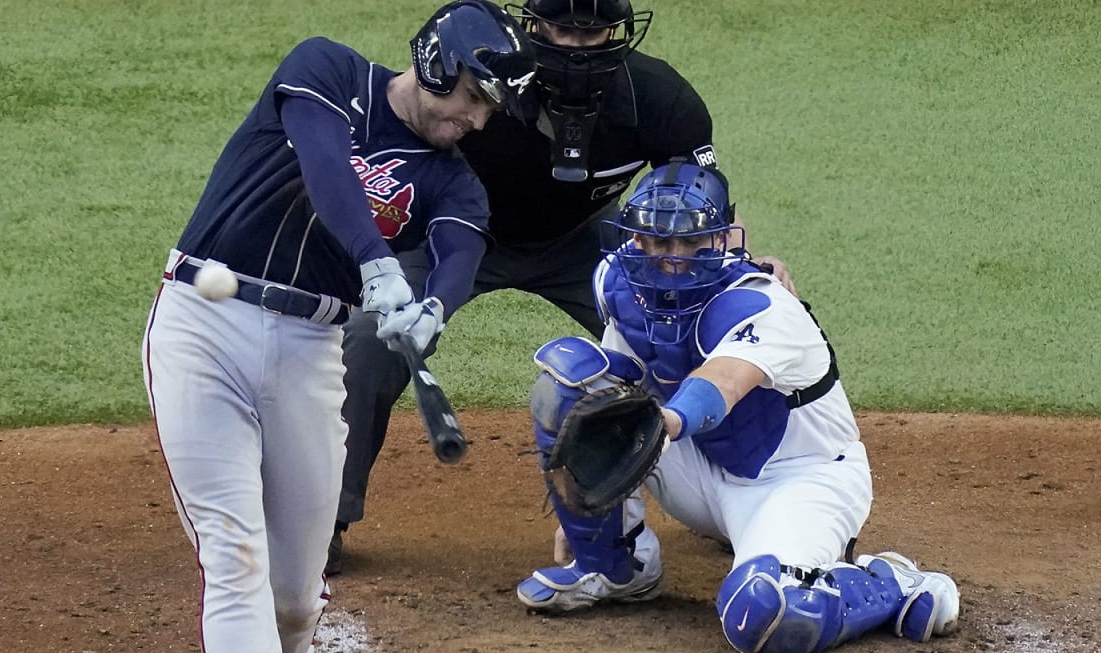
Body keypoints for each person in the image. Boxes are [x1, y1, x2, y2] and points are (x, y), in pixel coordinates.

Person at [140, 3, 534, 653]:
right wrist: (377, 261)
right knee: (233, 548)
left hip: (310, 352)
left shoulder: (456, 185)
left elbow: (457, 256)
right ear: (435, 63)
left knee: (294, 588)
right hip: (201, 322)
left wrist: (431, 313)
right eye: (474, 99)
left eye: (491, 109)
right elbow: (326, 171)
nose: (478, 121)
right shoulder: (327, 71)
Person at [330, 0, 787, 574]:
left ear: (616, 30)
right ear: (533, 25)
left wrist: (742, 269)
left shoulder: (658, 98)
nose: (576, 44)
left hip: (583, 242)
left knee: (702, 331)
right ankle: (327, 516)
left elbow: (700, 200)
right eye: (562, 28)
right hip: (459, 234)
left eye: (592, 30)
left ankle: (740, 501)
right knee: (374, 340)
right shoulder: (484, 85)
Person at [514, 161, 961, 653]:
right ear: (636, 239)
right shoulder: (625, 286)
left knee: (764, 615)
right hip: (704, 473)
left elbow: (720, 384)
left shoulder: (761, 305)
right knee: (569, 378)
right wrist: (587, 512)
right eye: (658, 242)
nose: (672, 260)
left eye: (689, 242)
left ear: (723, 240)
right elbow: (620, 383)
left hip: (801, 480)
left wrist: (661, 425)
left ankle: (891, 583)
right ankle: (617, 567)